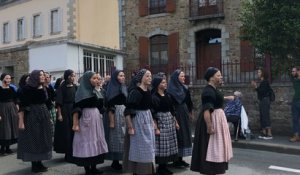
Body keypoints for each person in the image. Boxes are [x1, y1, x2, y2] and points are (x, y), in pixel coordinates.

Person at [191, 67, 233, 175]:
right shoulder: (208, 91)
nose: (221, 77)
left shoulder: (213, 89)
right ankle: (210, 170)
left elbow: (217, 98)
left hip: (217, 119)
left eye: (220, 75)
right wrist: (209, 127)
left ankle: (215, 169)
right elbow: (206, 110)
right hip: (212, 120)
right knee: (210, 146)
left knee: (216, 146)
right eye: (218, 75)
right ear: (211, 78)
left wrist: (226, 98)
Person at [72, 71, 108, 175]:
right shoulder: (81, 92)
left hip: (96, 119)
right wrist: (75, 123)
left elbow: (101, 106)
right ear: (88, 80)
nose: (97, 80)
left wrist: (98, 92)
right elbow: (76, 108)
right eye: (94, 78)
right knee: (87, 141)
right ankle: (87, 168)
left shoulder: (97, 91)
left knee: (96, 141)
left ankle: (94, 167)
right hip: (86, 119)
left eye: (98, 78)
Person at [17, 70, 53, 173]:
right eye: (40, 75)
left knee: (43, 138)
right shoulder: (26, 89)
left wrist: (49, 117)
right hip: (32, 115)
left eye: (43, 75)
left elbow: (47, 102)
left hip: (43, 114)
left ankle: (40, 162)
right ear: (35, 76)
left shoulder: (43, 87)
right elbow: (22, 106)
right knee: (34, 139)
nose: (42, 77)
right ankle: (34, 164)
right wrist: (21, 121)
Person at [123, 69, 156, 175]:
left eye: (150, 76)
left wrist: (153, 122)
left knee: (149, 146)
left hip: (147, 118)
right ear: (141, 78)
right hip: (138, 121)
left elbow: (150, 108)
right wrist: (130, 127)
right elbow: (127, 111)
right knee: (139, 147)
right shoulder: (136, 92)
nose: (149, 78)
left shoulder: (149, 91)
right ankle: (137, 171)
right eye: (147, 76)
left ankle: (147, 171)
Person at [152, 74, 179, 175]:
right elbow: (153, 114)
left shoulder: (168, 95)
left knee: (169, 144)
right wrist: (156, 128)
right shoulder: (154, 97)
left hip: (169, 121)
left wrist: (175, 122)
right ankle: (161, 167)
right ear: (158, 85)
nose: (165, 83)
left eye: (165, 82)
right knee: (162, 145)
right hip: (161, 121)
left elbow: (172, 110)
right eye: (163, 82)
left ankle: (165, 166)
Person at [167, 69, 193, 167]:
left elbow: (189, 101)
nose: (183, 78)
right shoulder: (170, 90)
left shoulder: (185, 88)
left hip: (184, 112)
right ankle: (175, 159)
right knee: (178, 135)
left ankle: (181, 158)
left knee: (185, 134)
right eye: (181, 76)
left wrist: (190, 111)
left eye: (183, 76)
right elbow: (170, 104)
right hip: (176, 113)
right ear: (175, 78)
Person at [105, 70, 127, 170]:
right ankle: (115, 160)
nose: (123, 77)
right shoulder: (111, 88)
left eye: (123, 75)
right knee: (116, 137)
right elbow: (110, 105)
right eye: (120, 75)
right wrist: (112, 121)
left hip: (124, 112)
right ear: (115, 77)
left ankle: (122, 158)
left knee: (124, 136)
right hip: (116, 113)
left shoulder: (123, 87)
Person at [53, 69, 77, 163]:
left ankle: (73, 152)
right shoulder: (62, 87)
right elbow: (59, 103)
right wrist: (59, 114)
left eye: (74, 76)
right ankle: (68, 154)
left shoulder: (75, 87)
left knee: (73, 132)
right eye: (71, 76)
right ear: (67, 76)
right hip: (65, 111)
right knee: (66, 133)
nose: (73, 77)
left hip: (73, 110)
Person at [251, 68, 273, 139]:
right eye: (258, 72)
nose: (258, 73)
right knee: (262, 116)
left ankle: (269, 134)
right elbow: (259, 91)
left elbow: (262, 92)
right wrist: (255, 87)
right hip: (262, 100)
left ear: (263, 73)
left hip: (265, 100)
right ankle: (264, 132)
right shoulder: (262, 81)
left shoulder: (265, 82)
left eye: (259, 72)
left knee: (265, 116)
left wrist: (256, 86)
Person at [0, 73, 19, 155]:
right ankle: (2, 149)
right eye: (7, 78)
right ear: (3, 79)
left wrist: (17, 106)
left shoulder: (11, 89)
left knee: (11, 128)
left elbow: (16, 98)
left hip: (12, 109)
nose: (9, 80)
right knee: (4, 129)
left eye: (10, 78)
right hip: (2, 109)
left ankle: (8, 148)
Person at [290, 66, 300, 142]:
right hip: (295, 101)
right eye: (292, 71)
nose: (292, 72)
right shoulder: (294, 79)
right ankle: (296, 136)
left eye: (294, 71)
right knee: (295, 119)